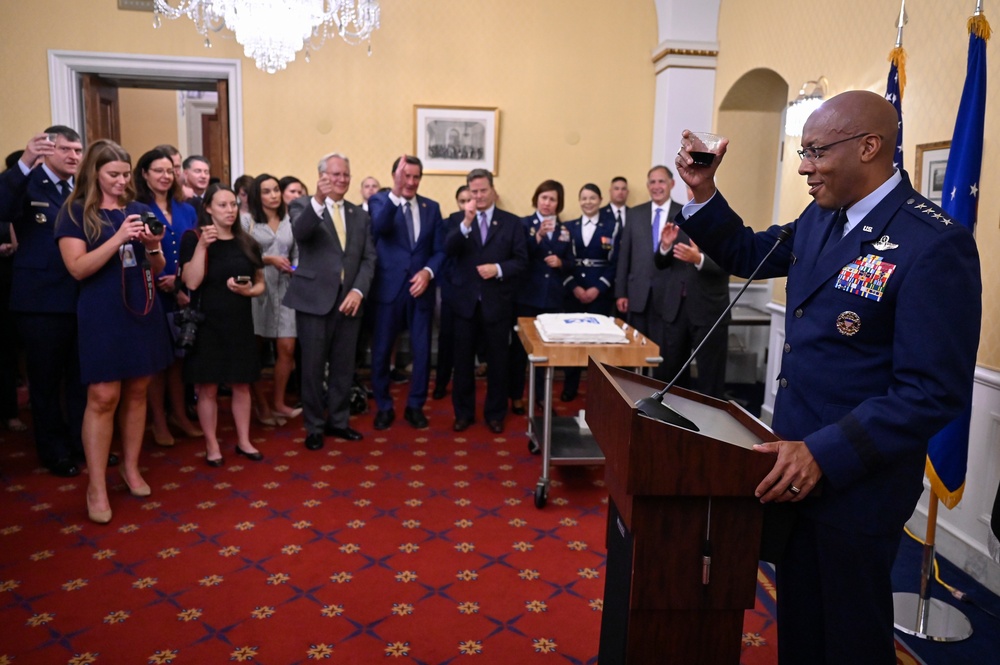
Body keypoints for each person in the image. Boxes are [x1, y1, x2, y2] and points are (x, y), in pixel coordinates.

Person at [675, 90, 981, 664]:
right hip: (793, 469)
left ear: (868, 147)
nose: (803, 166)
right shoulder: (819, 219)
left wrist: (824, 453)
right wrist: (703, 193)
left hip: (854, 483)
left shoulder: (934, 243)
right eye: (803, 150)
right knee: (802, 629)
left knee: (849, 639)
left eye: (816, 151)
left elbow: (931, 391)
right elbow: (749, 251)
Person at [54, 139, 173, 524]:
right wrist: (118, 238)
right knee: (104, 396)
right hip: (102, 311)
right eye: (114, 175)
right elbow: (77, 268)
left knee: (138, 390)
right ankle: (97, 485)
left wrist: (153, 247)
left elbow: (156, 267)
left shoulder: (139, 209)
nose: (122, 181)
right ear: (94, 173)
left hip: (142, 307)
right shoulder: (75, 212)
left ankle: (131, 467)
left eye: (125, 174)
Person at [0, 127, 92, 477]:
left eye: (78, 150)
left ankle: (82, 445)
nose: (73, 156)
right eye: (66, 149)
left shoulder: (80, 190)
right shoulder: (27, 182)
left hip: (80, 298)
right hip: (41, 302)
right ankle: (53, 452)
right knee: (46, 382)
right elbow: (3, 208)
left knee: (80, 380)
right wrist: (24, 162)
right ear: (46, 150)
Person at [283, 152, 376, 451]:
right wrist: (318, 200)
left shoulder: (359, 214)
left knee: (343, 365)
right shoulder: (301, 205)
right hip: (314, 300)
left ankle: (339, 420)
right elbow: (301, 232)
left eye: (346, 175)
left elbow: (368, 258)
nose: (342, 180)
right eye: (335, 174)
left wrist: (358, 291)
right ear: (321, 176)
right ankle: (314, 426)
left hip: (349, 302)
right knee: (311, 367)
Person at [179, 185, 266, 467]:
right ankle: (212, 444)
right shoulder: (193, 239)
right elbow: (191, 283)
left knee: (242, 384)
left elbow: (260, 282)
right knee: (209, 389)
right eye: (222, 205)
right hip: (208, 323)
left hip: (240, 321)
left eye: (233, 205)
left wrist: (249, 291)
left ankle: (244, 440)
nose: (230, 210)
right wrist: (204, 246)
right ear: (208, 208)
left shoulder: (248, 242)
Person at [445, 169, 527, 434]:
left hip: (497, 303)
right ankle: (464, 413)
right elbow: (448, 250)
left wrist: (498, 268)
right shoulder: (457, 219)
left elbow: (521, 261)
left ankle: (495, 414)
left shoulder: (512, 223)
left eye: (482, 191)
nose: (478, 196)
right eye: (473, 192)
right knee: (463, 361)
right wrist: (466, 224)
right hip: (465, 303)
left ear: (492, 190)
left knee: (498, 362)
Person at [367, 155, 445, 430]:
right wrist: (396, 193)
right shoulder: (379, 201)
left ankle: (415, 406)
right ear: (395, 177)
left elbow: (439, 250)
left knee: (422, 351)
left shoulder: (431, 208)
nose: (410, 182)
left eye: (415, 177)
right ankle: (384, 406)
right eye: (405, 176)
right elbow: (379, 227)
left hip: (420, 288)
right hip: (388, 289)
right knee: (381, 351)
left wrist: (428, 272)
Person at [133, 147, 203, 445]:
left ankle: (180, 416)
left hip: (182, 291)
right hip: (151, 292)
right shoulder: (136, 207)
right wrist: (160, 278)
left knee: (178, 361)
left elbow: (193, 248)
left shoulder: (186, 208)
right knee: (156, 362)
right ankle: (159, 422)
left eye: (169, 170)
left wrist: (180, 283)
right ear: (145, 174)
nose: (165, 176)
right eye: (158, 170)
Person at [650, 209, 731, 400]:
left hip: (709, 310)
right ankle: (673, 421)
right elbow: (661, 263)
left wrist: (699, 259)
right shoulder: (678, 219)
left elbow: (731, 263)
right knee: (671, 373)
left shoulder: (725, 222)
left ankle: (708, 425)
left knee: (710, 376)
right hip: (675, 309)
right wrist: (665, 246)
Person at [613, 165, 684, 381]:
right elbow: (624, 255)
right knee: (636, 351)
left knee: (666, 355)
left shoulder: (683, 214)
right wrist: (621, 292)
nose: (656, 186)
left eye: (661, 181)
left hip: (670, 295)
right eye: (652, 182)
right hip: (638, 293)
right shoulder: (635, 213)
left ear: (672, 184)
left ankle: (661, 399)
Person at [508, 180, 570, 413]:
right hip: (526, 296)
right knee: (520, 351)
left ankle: (542, 397)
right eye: (544, 198)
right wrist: (537, 238)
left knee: (547, 352)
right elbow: (519, 257)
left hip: (552, 299)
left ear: (558, 204)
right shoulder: (523, 224)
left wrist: (561, 262)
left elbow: (571, 264)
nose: (547, 203)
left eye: (552, 199)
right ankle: (515, 395)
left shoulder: (564, 230)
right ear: (536, 199)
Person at [246, 173, 301, 423]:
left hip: (287, 287)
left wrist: (295, 269)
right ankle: (261, 404)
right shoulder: (247, 222)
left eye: (276, 190)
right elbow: (243, 254)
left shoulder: (292, 220)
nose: (273, 195)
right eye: (266, 191)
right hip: (258, 287)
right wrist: (269, 259)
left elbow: (298, 253)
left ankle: (278, 402)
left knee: (287, 347)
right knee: (254, 352)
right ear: (258, 196)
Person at [560, 183, 619, 402]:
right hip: (573, 290)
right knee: (573, 341)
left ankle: (598, 390)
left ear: (601, 200)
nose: (588, 202)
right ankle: (570, 386)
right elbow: (563, 262)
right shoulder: (568, 227)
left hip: (599, 292)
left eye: (592, 198)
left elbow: (615, 263)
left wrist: (598, 288)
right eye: (584, 198)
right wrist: (574, 286)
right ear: (579, 200)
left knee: (598, 343)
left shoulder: (611, 227)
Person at [432, 185, 472, 400]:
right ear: (457, 202)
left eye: (470, 199)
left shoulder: (484, 223)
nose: (467, 204)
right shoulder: (448, 223)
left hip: (476, 291)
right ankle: (441, 382)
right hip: (451, 288)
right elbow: (444, 252)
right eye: (462, 200)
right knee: (446, 339)